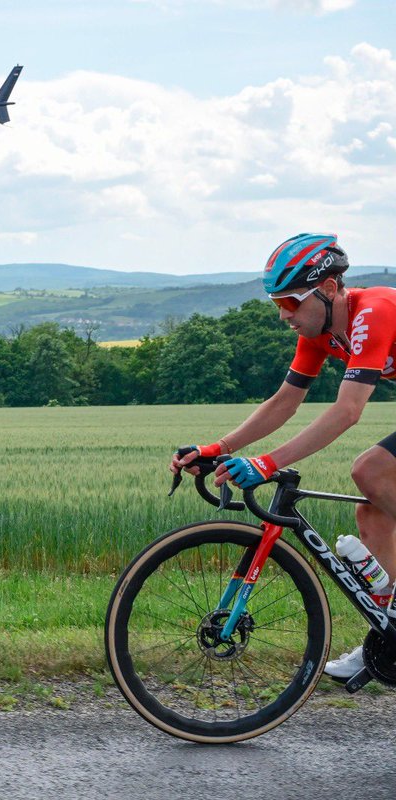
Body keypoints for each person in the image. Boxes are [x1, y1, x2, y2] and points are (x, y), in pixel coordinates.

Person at [172, 232, 396, 681]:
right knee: (373, 516)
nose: (283, 316)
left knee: (369, 469)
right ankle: (387, 635)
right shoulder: (320, 332)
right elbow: (284, 402)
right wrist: (219, 449)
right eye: (278, 304)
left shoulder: (375, 311)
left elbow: (347, 411)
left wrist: (266, 464)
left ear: (329, 289)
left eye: (291, 303)